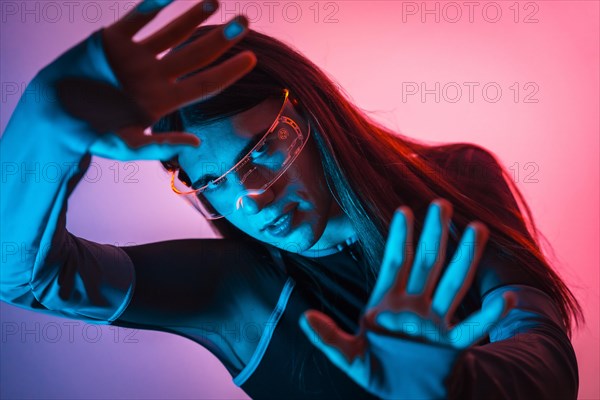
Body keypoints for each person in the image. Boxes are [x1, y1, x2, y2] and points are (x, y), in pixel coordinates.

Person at [0, 0, 583, 398]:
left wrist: (462, 384)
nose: (251, 198)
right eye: (212, 183)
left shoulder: (457, 178)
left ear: (311, 113)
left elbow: (542, 348)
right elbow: (24, 277)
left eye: (261, 152)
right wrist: (43, 124)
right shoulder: (231, 291)